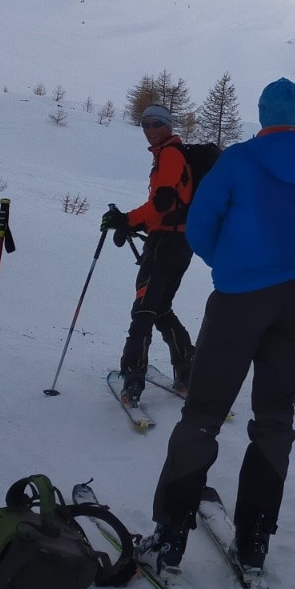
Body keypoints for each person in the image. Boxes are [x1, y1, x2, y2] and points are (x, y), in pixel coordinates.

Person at [141, 77, 295, 579]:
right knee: (274, 419)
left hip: (237, 301)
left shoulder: (239, 161)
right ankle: (253, 541)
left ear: (262, 113)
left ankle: (169, 539)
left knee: (204, 414)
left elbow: (200, 225)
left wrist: (229, 264)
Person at [100, 103, 198, 405]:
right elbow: (167, 206)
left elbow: (162, 202)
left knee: (144, 309)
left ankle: (133, 378)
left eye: (157, 124)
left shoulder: (169, 155)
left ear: (169, 126)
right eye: (146, 124)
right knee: (161, 308)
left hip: (165, 245)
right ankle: (188, 372)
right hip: (179, 245)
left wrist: (126, 220)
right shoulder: (170, 155)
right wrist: (132, 225)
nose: (151, 129)